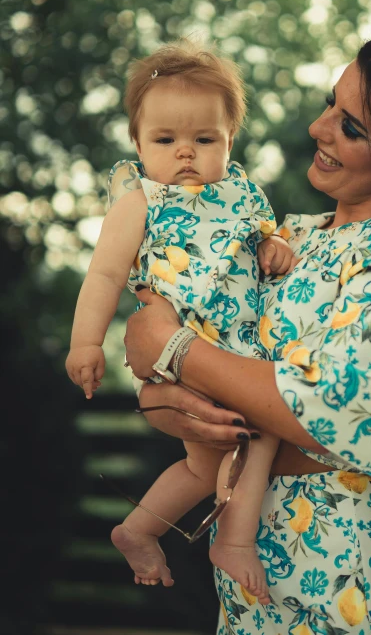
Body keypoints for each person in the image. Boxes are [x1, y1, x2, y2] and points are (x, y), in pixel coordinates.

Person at [122, 36, 371, 634]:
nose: (316, 126)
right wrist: (164, 400)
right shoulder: (292, 236)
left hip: (332, 566)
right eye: (331, 103)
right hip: (249, 576)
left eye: (349, 126)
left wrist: (175, 350)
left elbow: (327, 406)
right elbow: (226, 362)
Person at [65, 40, 300, 604]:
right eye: (165, 140)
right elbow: (102, 276)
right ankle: (234, 540)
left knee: (202, 466)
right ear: (138, 143)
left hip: (235, 353)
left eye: (204, 139)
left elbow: (268, 241)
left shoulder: (242, 192)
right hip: (187, 352)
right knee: (259, 433)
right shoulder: (141, 199)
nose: (186, 154)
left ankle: (139, 528)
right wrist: (85, 344)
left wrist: (275, 248)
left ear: (230, 141)